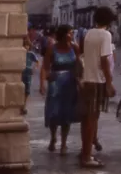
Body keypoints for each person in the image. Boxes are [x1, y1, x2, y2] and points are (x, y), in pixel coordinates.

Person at [79, 6, 117, 169]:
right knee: (92, 119)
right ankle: (87, 155)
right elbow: (105, 62)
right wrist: (109, 83)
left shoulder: (88, 33)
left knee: (86, 119)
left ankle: (85, 151)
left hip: (87, 79)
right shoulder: (105, 35)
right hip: (97, 81)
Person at [40, 24, 79, 154]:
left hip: (70, 82)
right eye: (70, 32)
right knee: (54, 112)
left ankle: (63, 143)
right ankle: (53, 137)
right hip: (55, 83)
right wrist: (43, 82)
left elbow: (79, 65)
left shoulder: (75, 47)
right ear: (63, 34)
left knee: (67, 113)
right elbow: (45, 66)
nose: (72, 35)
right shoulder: (52, 48)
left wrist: (80, 79)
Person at [21, 37, 39, 116]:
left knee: (27, 91)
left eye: (27, 45)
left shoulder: (31, 54)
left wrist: (34, 68)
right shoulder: (20, 53)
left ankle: (24, 106)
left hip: (28, 73)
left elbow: (37, 61)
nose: (26, 47)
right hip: (21, 73)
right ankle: (21, 105)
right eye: (24, 45)